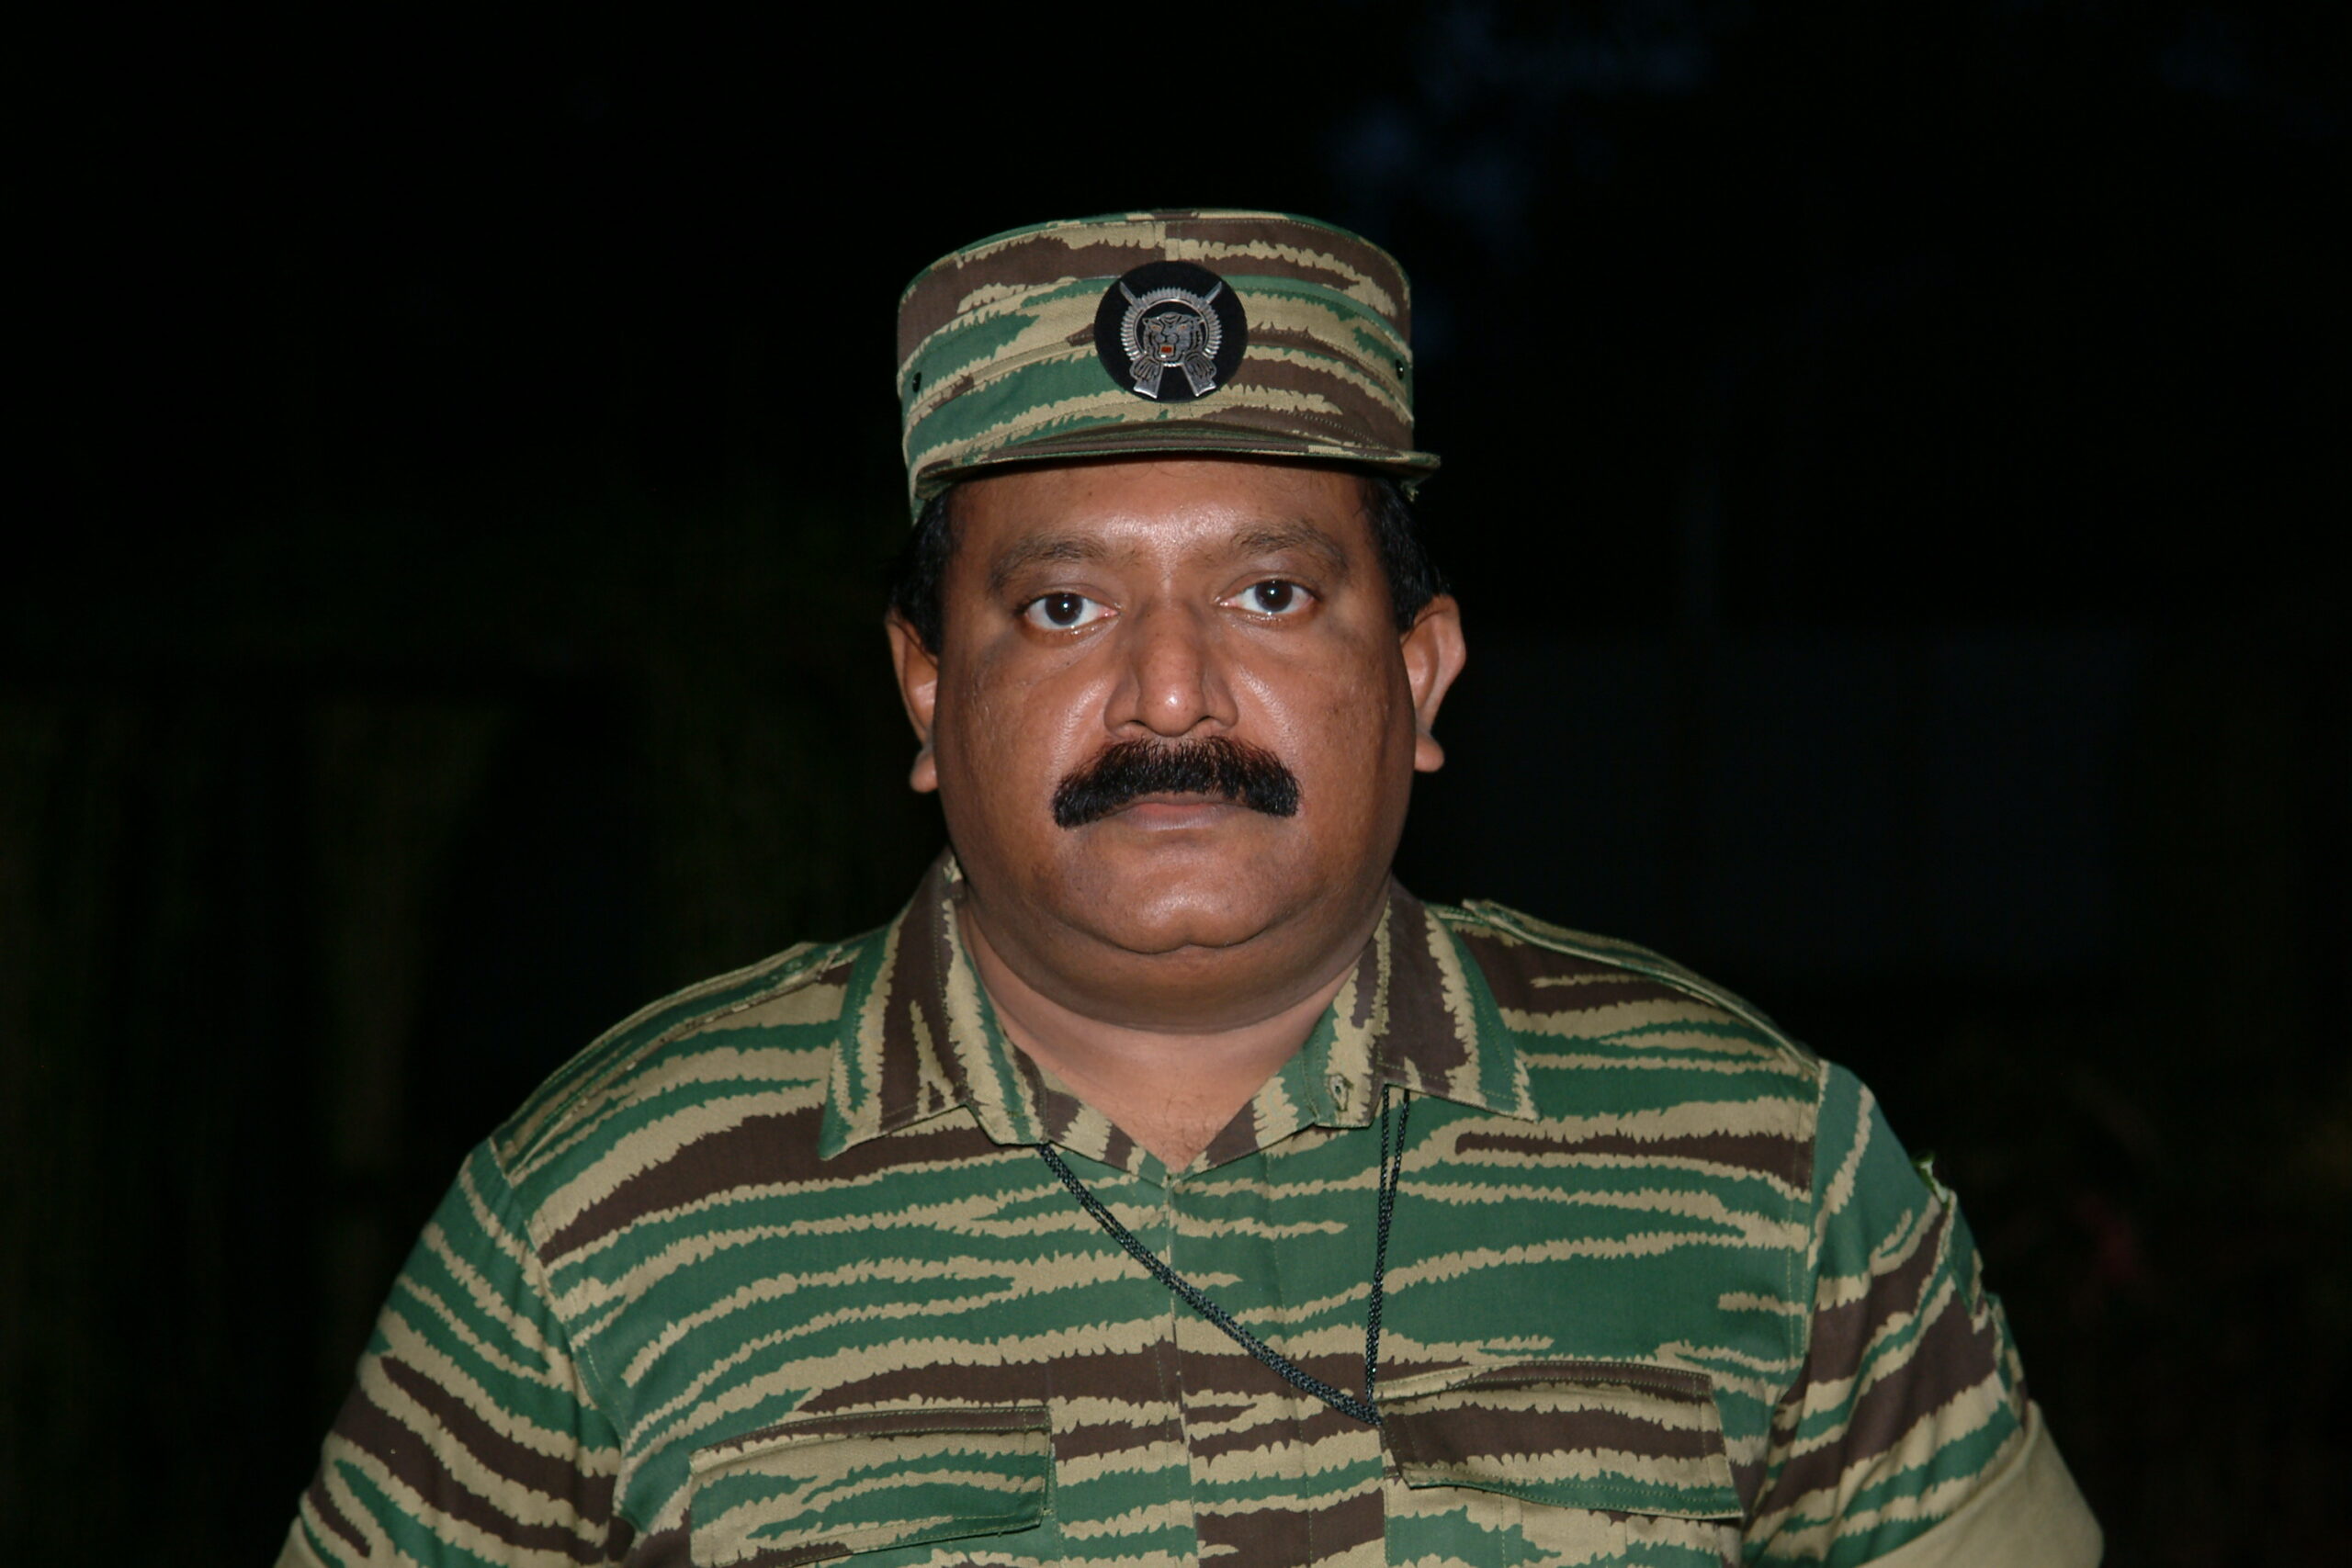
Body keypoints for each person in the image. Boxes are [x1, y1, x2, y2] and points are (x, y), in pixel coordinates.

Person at [279, 210, 2101, 1567]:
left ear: (1422, 675)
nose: (1169, 695)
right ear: (926, 689)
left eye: (1270, 595)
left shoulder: (1757, 1166)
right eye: (1064, 605)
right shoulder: (600, 1214)